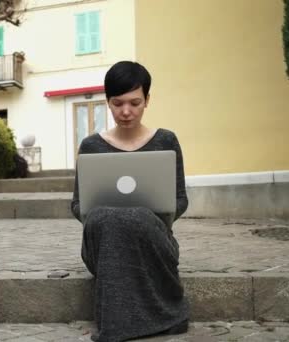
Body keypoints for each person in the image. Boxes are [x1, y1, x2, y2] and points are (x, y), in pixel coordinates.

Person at [71, 61, 190, 341]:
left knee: (133, 217)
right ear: (108, 103)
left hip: (153, 241)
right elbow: (77, 204)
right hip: (103, 244)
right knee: (108, 218)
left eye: (135, 103)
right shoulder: (91, 146)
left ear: (147, 100)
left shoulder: (165, 140)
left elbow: (181, 200)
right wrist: (108, 216)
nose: (126, 111)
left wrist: (144, 216)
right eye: (118, 103)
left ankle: (118, 327)